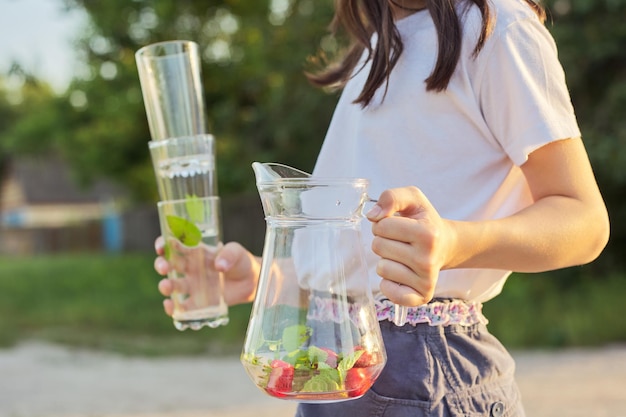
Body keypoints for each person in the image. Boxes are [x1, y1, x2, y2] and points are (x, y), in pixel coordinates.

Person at [154, 0, 610, 415]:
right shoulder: (376, 50)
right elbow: (361, 265)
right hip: (335, 369)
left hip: (428, 372)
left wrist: (454, 242)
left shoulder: (497, 26)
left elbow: (584, 220)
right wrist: (263, 277)